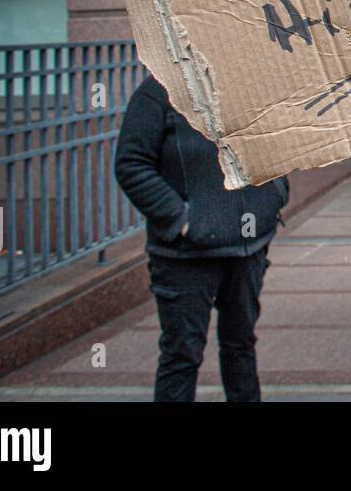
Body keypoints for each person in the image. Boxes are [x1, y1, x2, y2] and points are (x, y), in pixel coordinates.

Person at [115, 74, 290, 402]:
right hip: (184, 258)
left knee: (241, 346)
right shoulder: (157, 92)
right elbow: (131, 164)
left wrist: (273, 196)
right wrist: (182, 220)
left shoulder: (246, 82)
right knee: (182, 355)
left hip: (247, 248)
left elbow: (277, 142)